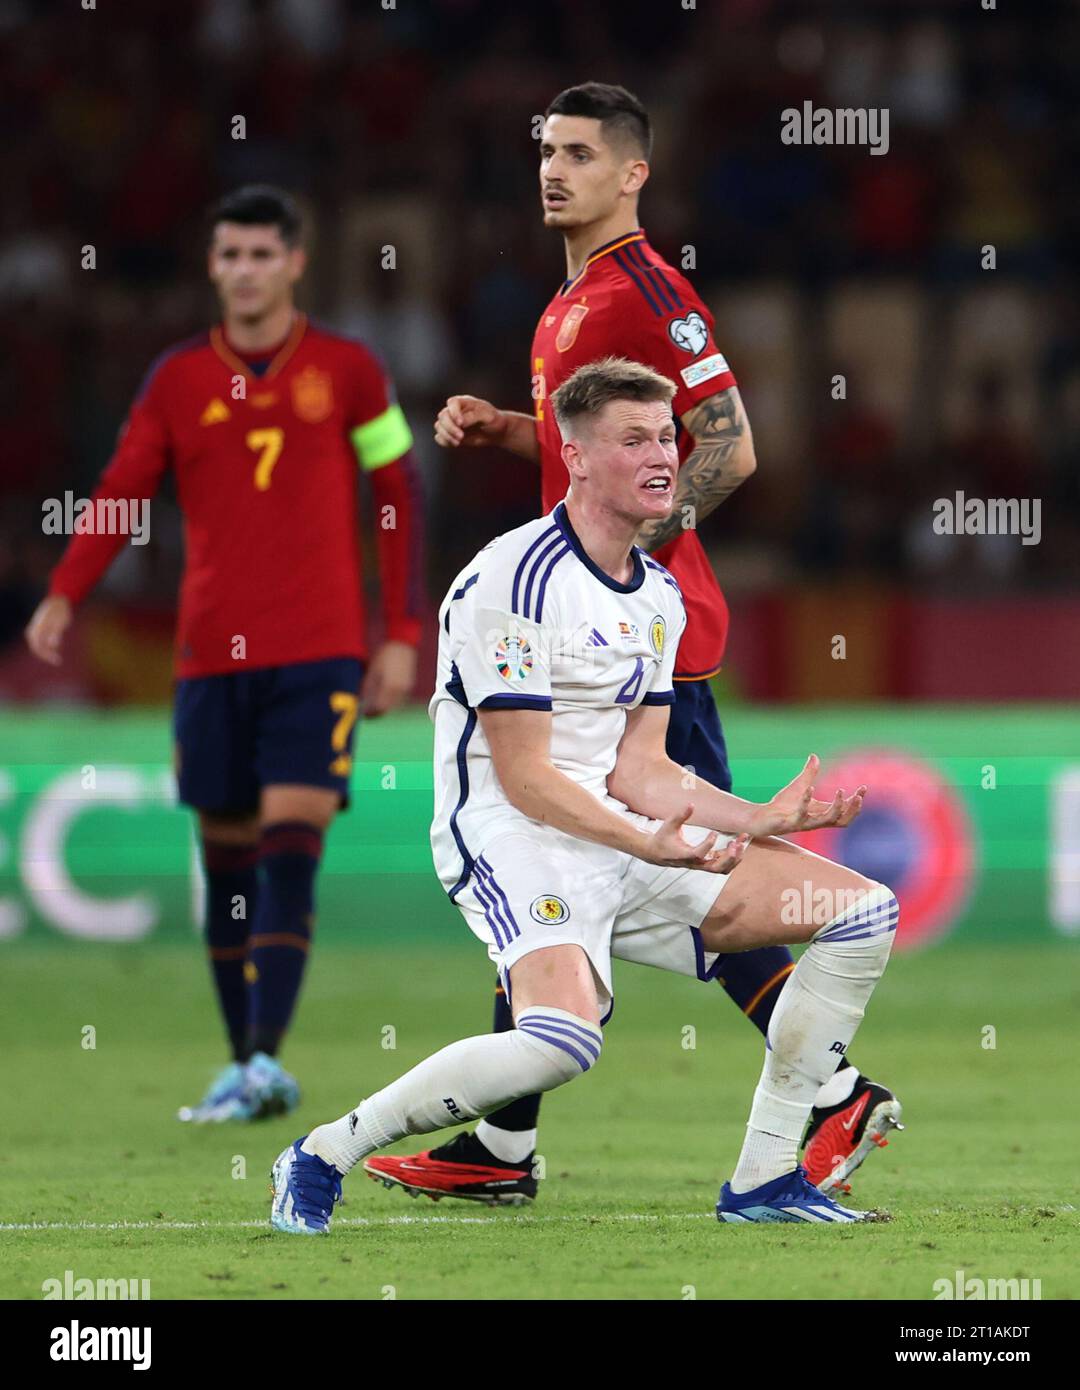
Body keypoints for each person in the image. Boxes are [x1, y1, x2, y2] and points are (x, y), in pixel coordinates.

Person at [365, 82, 901, 1204]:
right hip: (593, 623)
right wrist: (515, 433)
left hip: (645, 643)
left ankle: (835, 1088)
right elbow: (591, 466)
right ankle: (502, 1149)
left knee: (689, 881)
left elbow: (734, 450)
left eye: (578, 153)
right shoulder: (566, 304)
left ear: (632, 174)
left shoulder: (650, 292)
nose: (553, 170)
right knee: (547, 861)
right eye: (545, 151)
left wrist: (638, 544)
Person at [270, 357, 897, 1235]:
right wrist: (648, 843)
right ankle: (325, 1151)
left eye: (668, 437)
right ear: (573, 457)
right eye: (633, 438)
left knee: (862, 911)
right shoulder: (512, 580)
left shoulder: (659, 596)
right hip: (512, 833)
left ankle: (763, 1182)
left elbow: (640, 768)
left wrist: (759, 819)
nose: (664, 456)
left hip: (618, 830)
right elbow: (525, 776)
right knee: (564, 1045)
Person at [25, 185, 424, 1121]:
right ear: (213, 266)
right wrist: (65, 591)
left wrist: (400, 633)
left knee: (293, 844)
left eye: (260, 254)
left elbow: (397, 493)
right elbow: (124, 488)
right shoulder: (175, 380)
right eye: (229, 255)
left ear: (294, 262)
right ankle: (242, 1056)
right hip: (210, 658)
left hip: (319, 651)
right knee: (227, 856)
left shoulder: (351, 371)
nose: (244, 270)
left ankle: (263, 1062)